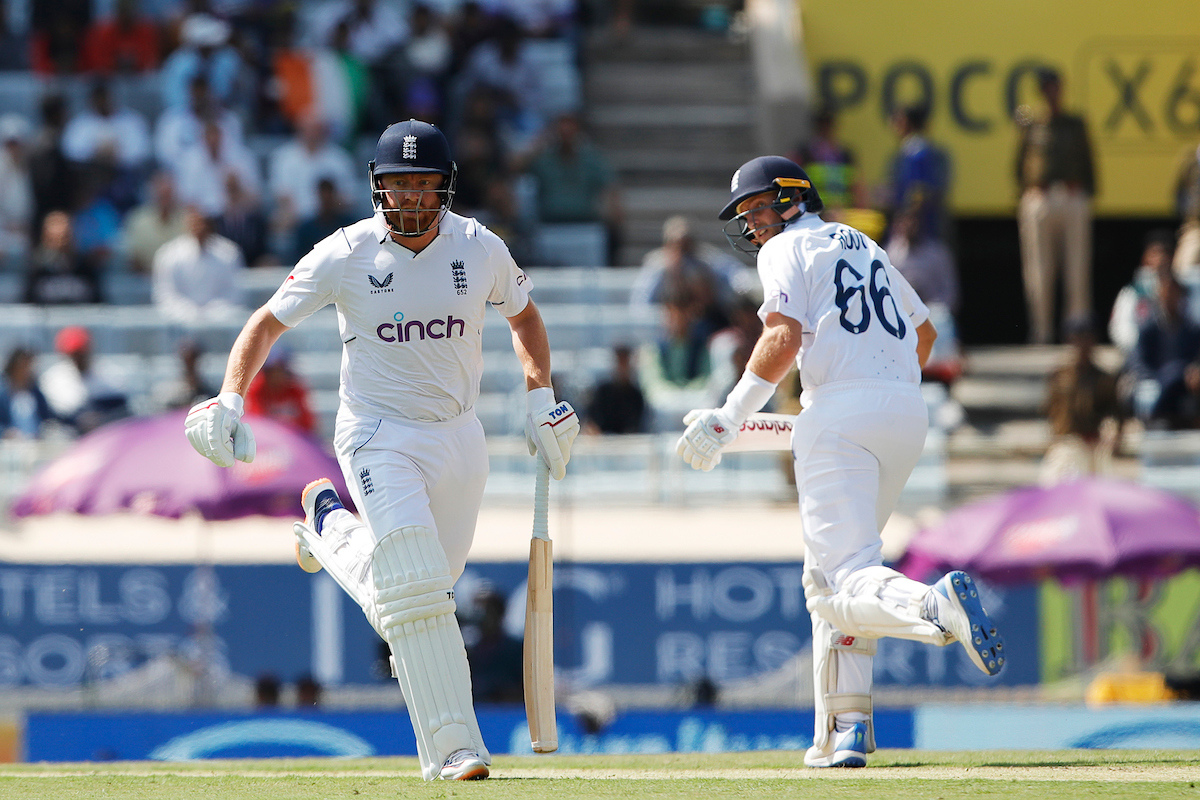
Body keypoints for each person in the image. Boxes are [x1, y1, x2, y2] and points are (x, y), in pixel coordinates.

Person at [183, 119, 579, 781]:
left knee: (425, 601)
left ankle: (331, 528)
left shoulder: (479, 248)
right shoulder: (345, 253)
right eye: (400, 186)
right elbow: (267, 322)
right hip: (377, 433)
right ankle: (454, 751)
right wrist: (230, 396)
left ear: (446, 188)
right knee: (416, 589)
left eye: (425, 186)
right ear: (377, 189)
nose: (413, 200)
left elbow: (525, 318)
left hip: (459, 434)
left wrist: (540, 396)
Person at [676, 156, 1006, 769]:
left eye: (756, 209)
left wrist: (728, 415)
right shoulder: (867, 246)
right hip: (906, 415)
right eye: (744, 216)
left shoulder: (786, 249)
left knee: (842, 584)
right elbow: (925, 334)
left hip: (839, 414)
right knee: (834, 574)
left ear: (792, 199)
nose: (752, 226)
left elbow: (781, 337)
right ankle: (846, 728)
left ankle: (933, 607)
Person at [1015, 68, 1096, 344]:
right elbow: (1019, 164)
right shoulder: (1031, 124)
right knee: (1039, 270)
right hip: (1040, 197)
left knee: (1077, 268)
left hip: (1072, 196)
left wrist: (1086, 194)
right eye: (1047, 87)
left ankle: (1077, 332)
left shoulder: (1075, 123)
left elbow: (1088, 163)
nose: (1052, 92)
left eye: (1056, 86)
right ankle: (1042, 331)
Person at [1040, 315, 1121, 485]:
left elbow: (1114, 412)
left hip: (1094, 446)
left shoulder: (1104, 379)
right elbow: (1050, 410)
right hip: (1066, 444)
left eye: (1087, 338)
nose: (1082, 344)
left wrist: (1112, 431)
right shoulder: (1059, 376)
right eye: (1078, 339)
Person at [152, 207, 246, 322]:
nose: (199, 227)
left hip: (220, 324)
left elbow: (234, 292)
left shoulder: (228, 253)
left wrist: (212, 313)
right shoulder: (169, 254)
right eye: (195, 222)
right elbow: (165, 295)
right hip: (180, 326)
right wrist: (190, 314)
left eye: (203, 223)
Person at [39, 325, 129, 434]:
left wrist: (101, 418)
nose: (78, 358)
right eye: (74, 354)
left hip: (106, 436)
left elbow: (122, 411)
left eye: (81, 353)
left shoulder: (111, 375)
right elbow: (54, 418)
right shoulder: (53, 380)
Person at [245, 348, 316, 435]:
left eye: (280, 370)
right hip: (266, 439)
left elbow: (307, 423)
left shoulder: (295, 390)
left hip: (292, 438)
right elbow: (256, 422)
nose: (276, 376)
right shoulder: (257, 389)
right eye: (272, 371)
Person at [584, 344, 646, 434]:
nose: (622, 367)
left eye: (625, 362)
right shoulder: (602, 391)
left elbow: (636, 427)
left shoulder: (636, 395)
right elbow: (591, 423)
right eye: (620, 362)